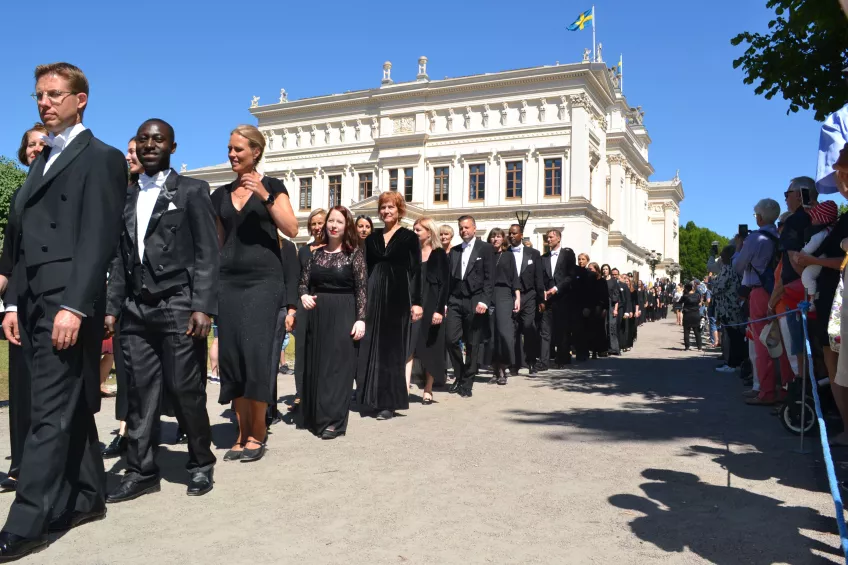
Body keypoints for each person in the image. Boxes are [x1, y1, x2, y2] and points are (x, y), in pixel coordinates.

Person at [0, 62, 126, 560]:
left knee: (45, 413)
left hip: (66, 304)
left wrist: (75, 305)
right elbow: (24, 243)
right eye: (38, 95)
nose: (44, 103)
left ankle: (27, 521)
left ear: (81, 99)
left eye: (54, 94)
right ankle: (90, 496)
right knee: (66, 406)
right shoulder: (42, 159)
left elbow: (97, 239)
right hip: (33, 301)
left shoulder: (102, 158)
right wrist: (12, 301)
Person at [104, 119, 218, 503]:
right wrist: (112, 306)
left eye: (158, 139)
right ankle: (141, 470)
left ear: (173, 146)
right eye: (143, 139)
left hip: (178, 304)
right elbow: (120, 257)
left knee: (186, 388)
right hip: (135, 308)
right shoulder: (126, 194)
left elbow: (207, 253)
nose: (149, 145)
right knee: (138, 391)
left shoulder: (191, 191)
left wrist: (203, 306)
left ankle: (201, 461)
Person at [211, 125, 298, 462]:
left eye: (239, 150)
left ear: (256, 152)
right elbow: (218, 244)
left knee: (256, 355)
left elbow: (291, 228)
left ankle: (257, 431)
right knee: (233, 356)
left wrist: (264, 194)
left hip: (264, 283)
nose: (232, 155)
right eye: (230, 149)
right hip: (228, 283)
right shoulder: (218, 195)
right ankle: (240, 429)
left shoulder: (274, 187)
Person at [0, 124, 47, 493]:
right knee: (21, 385)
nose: (36, 149)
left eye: (42, 143)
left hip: (59, 301)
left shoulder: (65, 190)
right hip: (20, 299)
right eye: (31, 145)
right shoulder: (18, 195)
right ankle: (20, 464)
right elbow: (9, 258)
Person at [298, 206, 366, 439]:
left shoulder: (354, 254)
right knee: (319, 364)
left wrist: (361, 320)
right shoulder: (315, 254)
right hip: (318, 315)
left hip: (344, 312)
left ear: (346, 226)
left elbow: (362, 290)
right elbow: (303, 283)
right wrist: (304, 295)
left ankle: (334, 421)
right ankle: (317, 415)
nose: (333, 225)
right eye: (330, 221)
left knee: (338, 367)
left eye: (339, 221)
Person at [357, 191, 423, 419]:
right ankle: (371, 398)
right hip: (374, 295)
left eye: (391, 208)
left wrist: (417, 303)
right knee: (372, 346)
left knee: (392, 349)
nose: (386, 211)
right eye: (383, 207)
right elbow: (364, 270)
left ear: (399, 211)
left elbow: (416, 272)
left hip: (398, 297)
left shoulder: (409, 237)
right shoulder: (372, 238)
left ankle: (389, 402)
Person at [102, 135, 145, 460]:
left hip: (158, 299)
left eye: (136, 151)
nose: (131, 156)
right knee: (127, 367)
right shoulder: (121, 197)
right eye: (129, 151)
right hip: (125, 296)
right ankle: (124, 429)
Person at [734, 198, 794, 406]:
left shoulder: (755, 238)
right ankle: (786, 388)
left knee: (762, 343)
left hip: (759, 292)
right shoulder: (779, 235)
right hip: (779, 289)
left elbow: (738, 266)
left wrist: (740, 247)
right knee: (784, 341)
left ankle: (766, 390)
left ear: (759, 217)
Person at [445, 215, 494, 396]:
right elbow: (449, 279)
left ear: (474, 228)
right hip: (455, 299)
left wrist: (484, 301)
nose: (463, 230)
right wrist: (445, 303)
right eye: (461, 228)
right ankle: (460, 373)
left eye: (466, 227)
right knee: (450, 339)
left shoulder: (485, 249)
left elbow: (490, 278)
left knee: (473, 343)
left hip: (475, 300)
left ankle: (468, 382)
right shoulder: (455, 251)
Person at [291, 208, 327, 413]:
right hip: (305, 305)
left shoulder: (336, 248)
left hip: (327, 304)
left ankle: (321, 394)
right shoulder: (304, 251)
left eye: (320, 222)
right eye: (313, 223)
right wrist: (293, 310)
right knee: (302, 351)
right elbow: (297, 280)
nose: (317, 227)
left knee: (323, 351)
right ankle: (300, 394)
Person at [411, 217, 450, 402]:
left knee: (431, 346)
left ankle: (428, 388)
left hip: (433, 303)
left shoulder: (439, 254)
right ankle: (404, 386)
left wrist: (439, 311)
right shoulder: (413, 253)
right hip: (413, 303)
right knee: (410, 345)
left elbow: (444, 284)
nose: (415, 233)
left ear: (429, 232)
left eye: (418, 230)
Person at [485, 228, 520, 385]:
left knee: (504, 332)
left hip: (505, 294)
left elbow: (514, 278)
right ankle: (494, 369)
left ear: (503, 239)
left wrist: (517, 298)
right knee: (490, 334)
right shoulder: (486, 255)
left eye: (498, 237)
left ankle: (503, 369)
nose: (495, 239)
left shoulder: (508, 255)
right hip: (487, 294)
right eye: (493, 236)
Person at [508, 224, 543, 375]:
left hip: (528, 295)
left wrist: (541, 299)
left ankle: (531, 362)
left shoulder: (533, 253)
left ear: (521, 235)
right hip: (509, 296)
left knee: (529, 327)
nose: (511, 236)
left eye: (514, 233)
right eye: (509, 233)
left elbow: (538, 277)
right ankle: (515, 364)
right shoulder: (505, 252)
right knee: (513, 330)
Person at [538, 230, 576, 369]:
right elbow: (540, 277)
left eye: (551, 237)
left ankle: (561, 359)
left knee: (561, 330)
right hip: (547, 299)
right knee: (545, 331)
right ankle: (544, 361)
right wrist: (542, 292)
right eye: (547, 237)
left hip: (562, 298)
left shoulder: (567, 255)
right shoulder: (543, 258)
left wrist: (556, 288)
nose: (548, 239)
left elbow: (570, 276)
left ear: (558, 238)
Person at [586, 262, 610, 358]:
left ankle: (599, 350)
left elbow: (605, 296)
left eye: (591, 269)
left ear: (596, 270)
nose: (589, 271)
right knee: (589, 329)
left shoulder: (602, 281)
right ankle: (590, 349)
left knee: (599, 329)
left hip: (599, 308)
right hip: (589, 307)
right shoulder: (587, 280)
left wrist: (605, 308)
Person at [601, 264, 620, 355]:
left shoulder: (613, 281)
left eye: (606, 269)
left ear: (609, 270)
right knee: (603, 326)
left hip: (611, 305)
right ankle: (604, 347)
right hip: (602, 305)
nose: (605, 271)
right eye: (603, 269)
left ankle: (614, 348)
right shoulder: (600, 281)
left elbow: (616, 296)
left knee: (612, 326)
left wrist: (616, 309)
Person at [677, 283, 702, 350]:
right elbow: (699, 302)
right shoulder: (697, 295)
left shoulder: (685, 296)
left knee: (686, 331)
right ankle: (699, 347)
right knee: (697, 332)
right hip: (696, 314)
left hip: (687, 314)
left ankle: (687, 347)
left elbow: (679, 302)